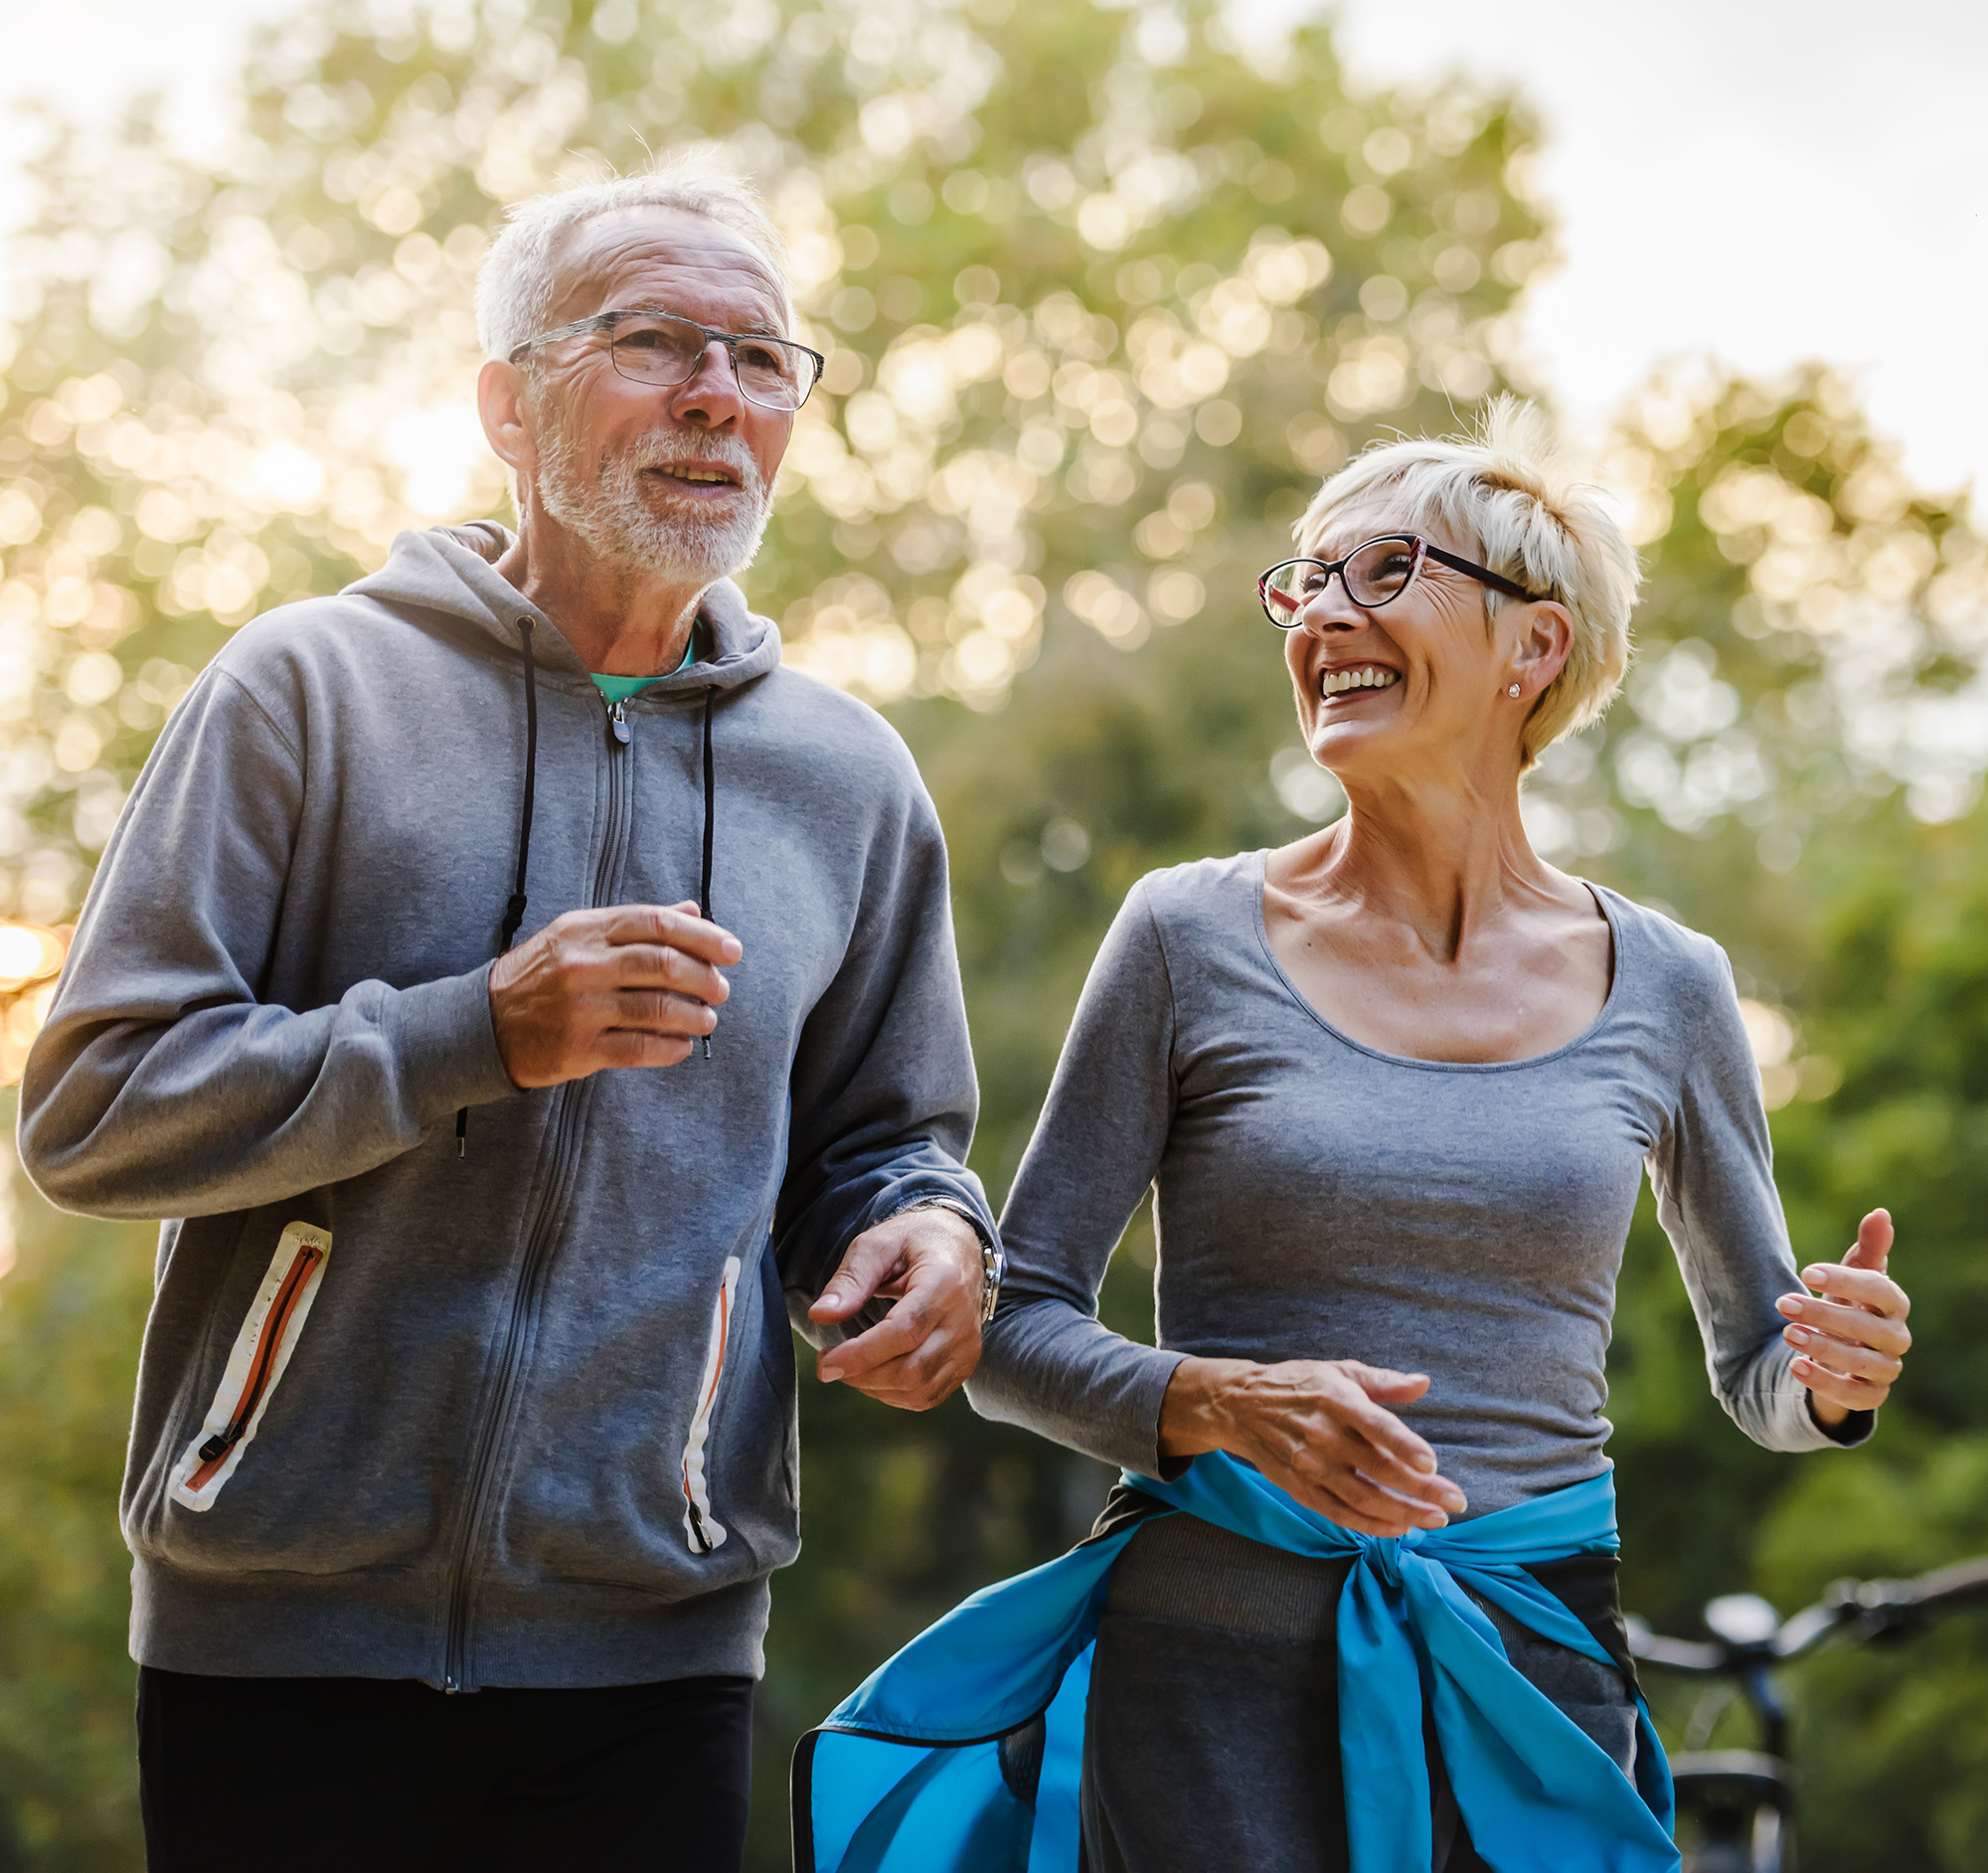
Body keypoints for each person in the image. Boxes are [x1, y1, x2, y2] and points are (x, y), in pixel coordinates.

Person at [18, 157, 1000, 1872]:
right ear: (507, 405)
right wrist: (475, 1035)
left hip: (656, 1650)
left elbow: (884, 1142)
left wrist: (929, 1233)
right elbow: (94, 1110)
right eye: (653, 340)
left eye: (763, 359)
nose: (717, 394)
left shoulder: (847, 778)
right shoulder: (304, 690)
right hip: (280, 1638)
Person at [794, 402, 1911, 1873]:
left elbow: (1762, 1371)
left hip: (1532, 1670)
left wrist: (1833, 1379)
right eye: (1306, 581)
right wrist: (1222, 1403)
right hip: (1208, 1676)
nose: (1324, 614)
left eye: (1385, 571)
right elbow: (1010, 1322)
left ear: (1534, 646)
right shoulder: (1186, 936)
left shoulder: (1673, 986)